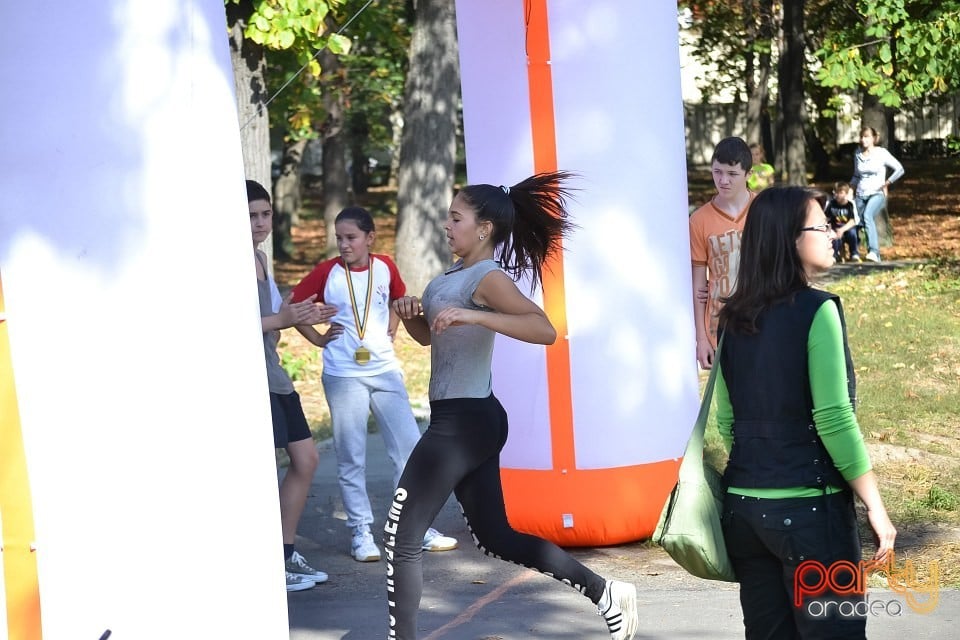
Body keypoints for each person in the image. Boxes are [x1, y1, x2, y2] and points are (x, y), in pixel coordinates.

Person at [387, 172, 640, 640]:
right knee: (496, 538)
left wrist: (474, 313)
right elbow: (433, 338)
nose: (446, 224)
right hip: (464, 418)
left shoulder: (488, 277)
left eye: (455, 217)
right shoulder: (453, 275)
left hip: (464, 424)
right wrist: (411, 317)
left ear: (483, 228)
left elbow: (543, 329)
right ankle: (605, 592)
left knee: (401, 538)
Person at [716, 186, 897, 639]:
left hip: (744, 513)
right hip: (811, 516)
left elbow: (725, 421)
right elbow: (834, 419)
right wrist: (874, 505)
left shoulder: (732, 317)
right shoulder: (818, 311)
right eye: (821, 225)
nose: (834, 233)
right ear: (791, 240)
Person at [290, 207, 458, 563]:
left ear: (369, 238)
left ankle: (414, 528)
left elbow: (398, 298)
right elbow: (293, 306)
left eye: (351, 237)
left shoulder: (384, 266)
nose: (344, 244)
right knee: (351, 455)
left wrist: (394, 323)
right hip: (343, 374)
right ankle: (360, 533)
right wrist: (319, 339)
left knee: (410, 449)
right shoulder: (328, 272)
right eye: (339, 238)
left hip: (384, 370)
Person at [248, 179, 337, 592]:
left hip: (275, 375)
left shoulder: (261, 257)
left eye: (266, 214)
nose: (261, 222)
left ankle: (283, 553)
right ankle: (264, 564)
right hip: (251, 379)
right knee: (262, 470)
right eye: (251, 215)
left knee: (306, 460)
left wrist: (309, 318)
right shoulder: (225, 261)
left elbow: (276, 316)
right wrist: (281, 320)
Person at [690, 136, 755, 369]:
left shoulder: (764, 210)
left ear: (748, 174)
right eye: (717, 172)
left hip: (762, 319)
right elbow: (698, 286)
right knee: (729, 402)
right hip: (721, 328)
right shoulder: (699, 221)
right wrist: (701, 338)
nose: (723, 180)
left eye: (732, 174)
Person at [850, 126, 904, 262]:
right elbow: (856, 175)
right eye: (862, 137)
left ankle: (874, 251)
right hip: (861, 193)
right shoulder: (857, 153)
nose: (864, 140)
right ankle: (857, 253)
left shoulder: (881, 153)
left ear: (874, 138)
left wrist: (887, 182)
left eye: (867, 137)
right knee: (859, 222)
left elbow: (899, 169)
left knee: (868, 216)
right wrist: (851, 190)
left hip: (877, 193)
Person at [824, 181, 861, 262]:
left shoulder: (850, 205)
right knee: (832, 235)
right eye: (836, 192)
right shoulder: (831, 204)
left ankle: (854, 253)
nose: (838, 195)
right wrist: (828, 230)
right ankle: (835, 255)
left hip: (847, 227)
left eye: (841, 193)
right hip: (835, 227)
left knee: (852, 233)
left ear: (846, 194)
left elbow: (853, 221)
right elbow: (826, 219)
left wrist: (842, 230)